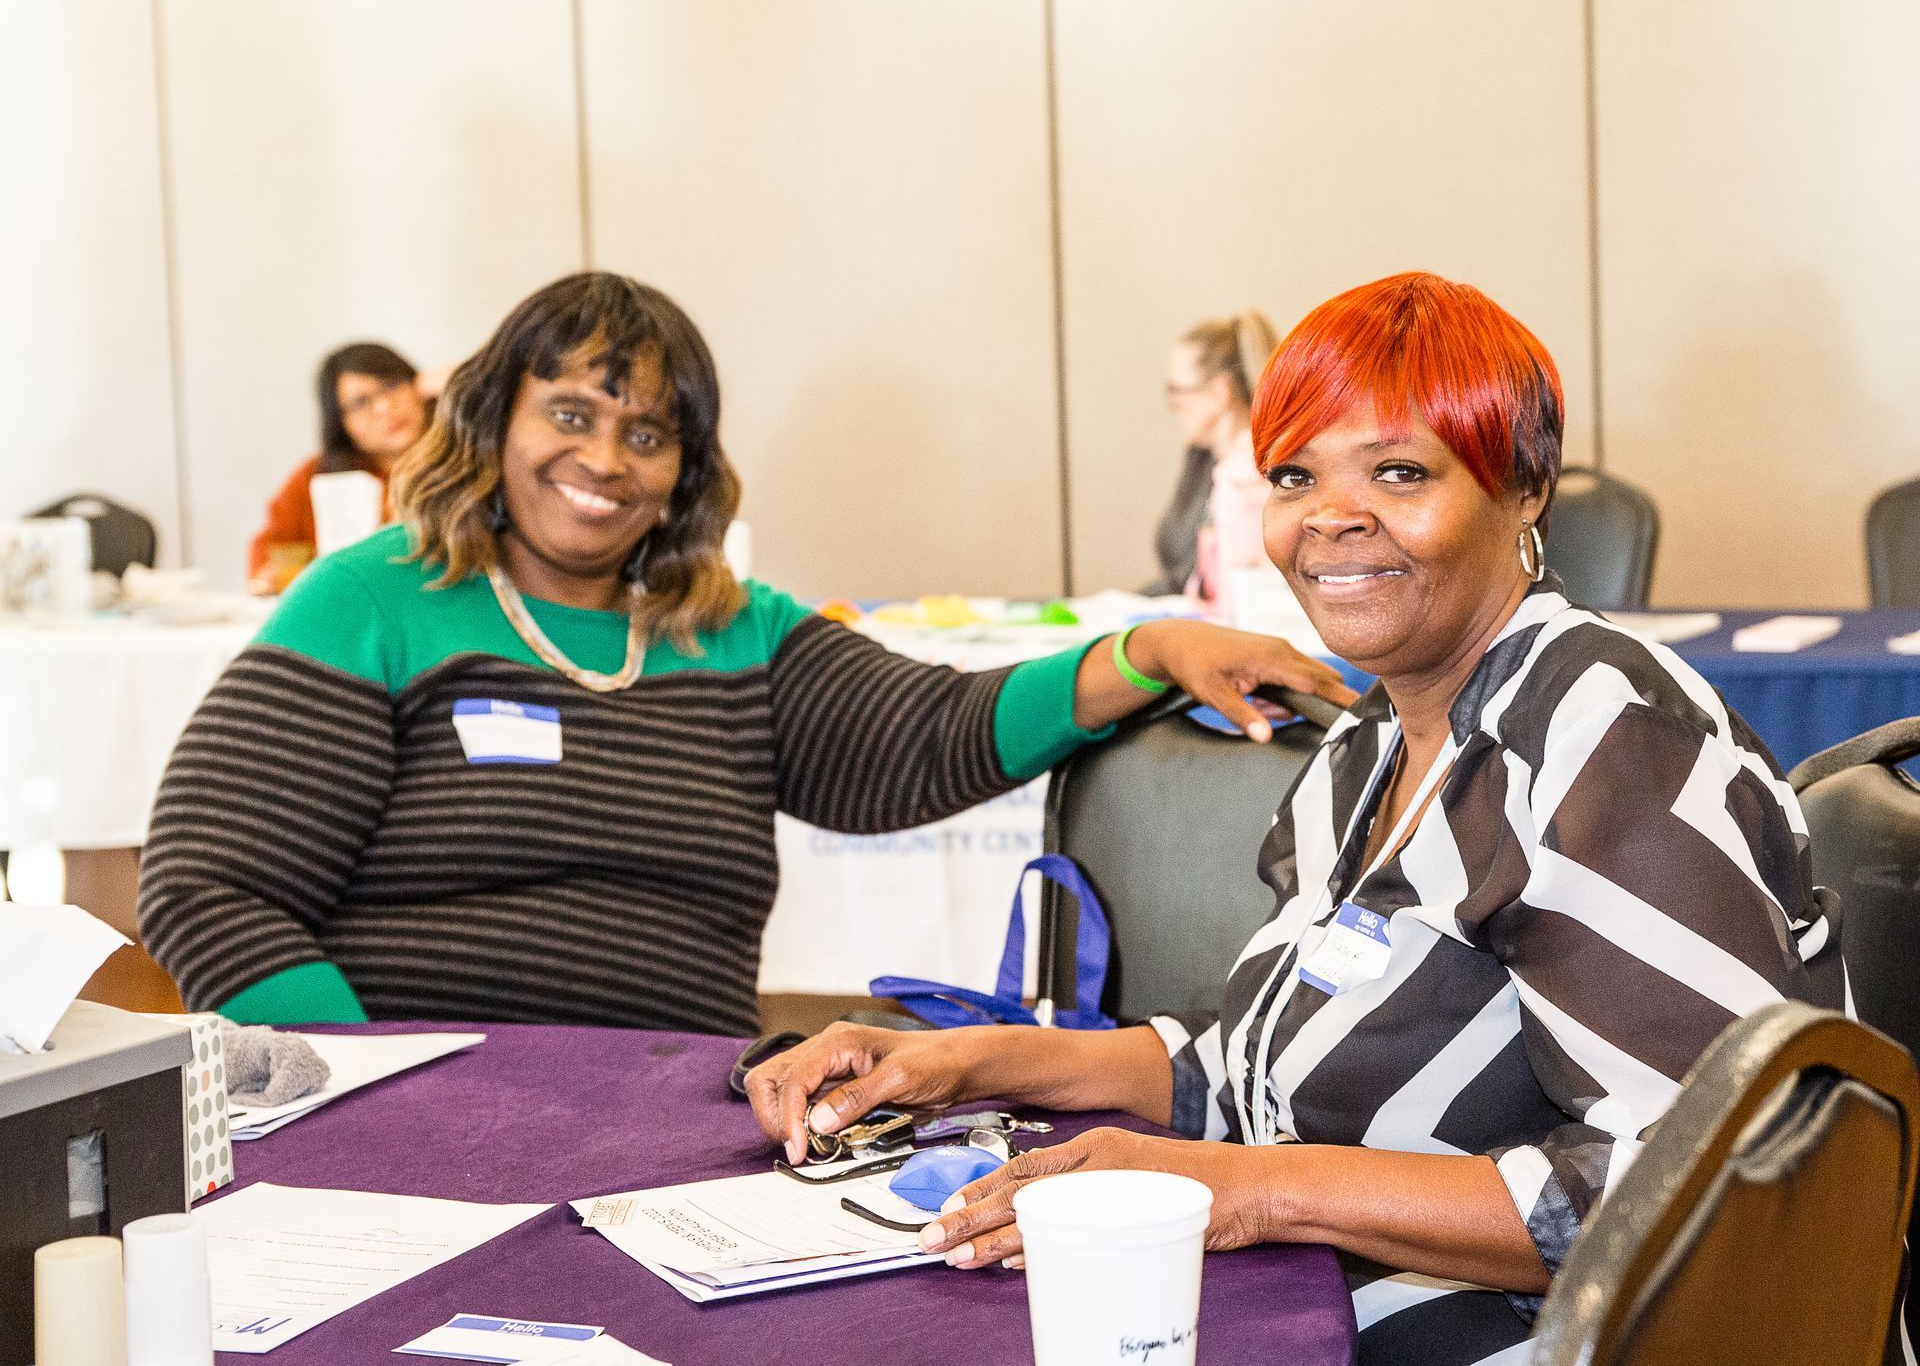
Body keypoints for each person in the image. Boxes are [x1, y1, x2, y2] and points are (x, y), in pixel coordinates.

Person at [746, 272, 1843, 1364]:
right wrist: (959, 1064)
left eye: (1400, 472)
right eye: (1294, 474)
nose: (1330, 516)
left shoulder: (1606, 738)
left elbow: (1705, 1186)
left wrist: (1255, 1191)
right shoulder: (1373, 740)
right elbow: (1247, 1073)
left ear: (1523, 490)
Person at [138, 271, 1352, 1037]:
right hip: (411, 1124)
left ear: (687, 469)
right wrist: (358, 1093)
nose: (606, 461)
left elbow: (922, 737)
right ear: (496, 419)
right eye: (571, 415)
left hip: (666, 1127)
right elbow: (207, 887)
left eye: (648, 433)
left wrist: (1147, 651)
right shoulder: (377, 596)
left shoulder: (730, 626)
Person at [247, 342, 433, 593]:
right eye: (361, 402)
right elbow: (270, 552)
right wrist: (272, 577)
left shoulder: (466, 460)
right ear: (341, 422)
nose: (384, 408)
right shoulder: (317, 477)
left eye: (391, 386)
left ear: (419, 386)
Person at [1144, 310, 1281, 609]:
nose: (1174, 405)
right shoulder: (1203, 461)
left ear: (1220, 393)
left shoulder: (1250, 476)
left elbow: (1239, 591)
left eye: (1177, 391)